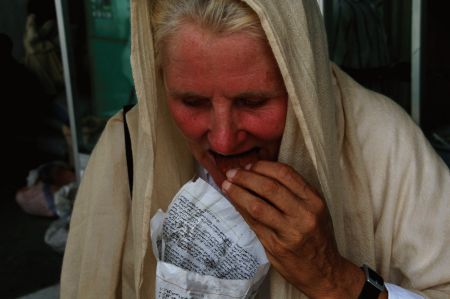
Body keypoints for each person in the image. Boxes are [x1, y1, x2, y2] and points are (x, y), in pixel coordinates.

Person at [60, 0, 450, 298]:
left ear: (301, 83)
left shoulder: (383, 143)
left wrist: (334, 279)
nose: (223, 140)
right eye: (192, 102)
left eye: (253, 102)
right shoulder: (126, 149)